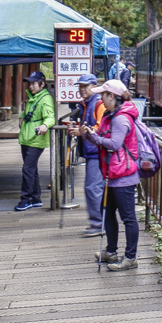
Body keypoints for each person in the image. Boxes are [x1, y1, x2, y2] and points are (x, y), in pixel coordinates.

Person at [73, 79, 141, 271]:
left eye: (103, 95)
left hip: (124, 176)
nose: (100, 98)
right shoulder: (111, 115)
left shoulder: (121, 118)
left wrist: (92, 136)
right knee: (108, 213)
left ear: (112, 96)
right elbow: (103, 140)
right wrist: (87, 134)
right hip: (112, 173)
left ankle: (130, 258)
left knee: (128, 217)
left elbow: (114, 144)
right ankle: (111, 252)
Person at [69, 74, 106, 236]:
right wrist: (77, 127)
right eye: (80, 86)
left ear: (94, 86)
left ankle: (98, 224)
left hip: (97, 152)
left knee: (93, 188)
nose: (82, 89)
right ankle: (99, 222)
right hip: (92, 151)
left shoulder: (98, 103)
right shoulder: (87, 104)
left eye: (85, 86)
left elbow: (100, 129)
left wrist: (81, 133)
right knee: (95, 187)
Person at [15, 70, 55, 211]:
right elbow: (28, 112)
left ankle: (26, 199)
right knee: (31, 169)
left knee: (27, 169)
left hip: (36, 138)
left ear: (42, 84)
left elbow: (50, 117)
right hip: (27, 137)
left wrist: (45, 125)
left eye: (34, 83)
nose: (31, 86)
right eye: (30, 83)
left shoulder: (45, 99)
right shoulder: (34, 96)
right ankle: (36, 198)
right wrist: (22, 115)